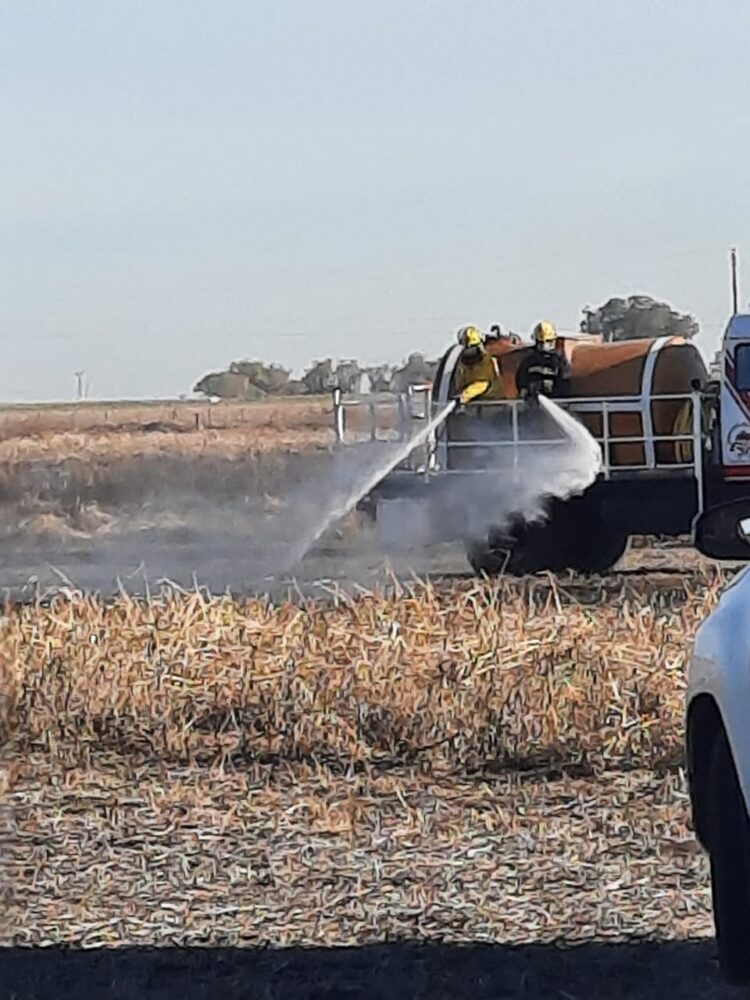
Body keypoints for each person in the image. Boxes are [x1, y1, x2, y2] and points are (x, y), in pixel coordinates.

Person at [515, 320, 570, 400]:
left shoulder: (560, 363)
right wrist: (527, 389)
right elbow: (521, 380)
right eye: (541, 343)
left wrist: (550, 388)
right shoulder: (529, 362)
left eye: (548, 342)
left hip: (554, 404)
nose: (545, 346)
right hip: (532, 405)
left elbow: (565, 385)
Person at [453, 326, 505, 405]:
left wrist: (464, 397)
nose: (471, 357)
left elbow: (482, 385)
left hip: (495, 402)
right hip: (475, 406)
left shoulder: (489, 361)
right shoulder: (462, 366)